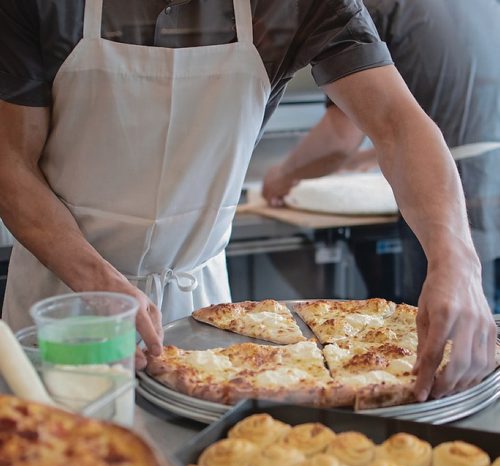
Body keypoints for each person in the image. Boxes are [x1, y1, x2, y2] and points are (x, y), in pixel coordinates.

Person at [0, 0, 496, 400]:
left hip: (208, 325)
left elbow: (397, 123)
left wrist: (456, 259)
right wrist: (98, 282)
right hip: (61, 306)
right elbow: (9, 163)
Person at [263, 0, 500, 311]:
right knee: (486, 325)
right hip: (490, 178)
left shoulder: (374, 7)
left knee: (445, 329)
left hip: (453, 190)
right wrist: (368, 159)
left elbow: (339, 138)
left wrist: (284, 175)